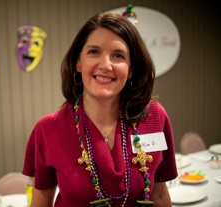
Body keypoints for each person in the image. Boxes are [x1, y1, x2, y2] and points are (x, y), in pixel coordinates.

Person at [22, 12, 177, 207]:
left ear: (131, 70)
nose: (105, 65)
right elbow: (41, 202)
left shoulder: (154, 117)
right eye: (93, 52)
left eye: (118, 55)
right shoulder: (48, 129)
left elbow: (160, 195)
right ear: (78, 62)